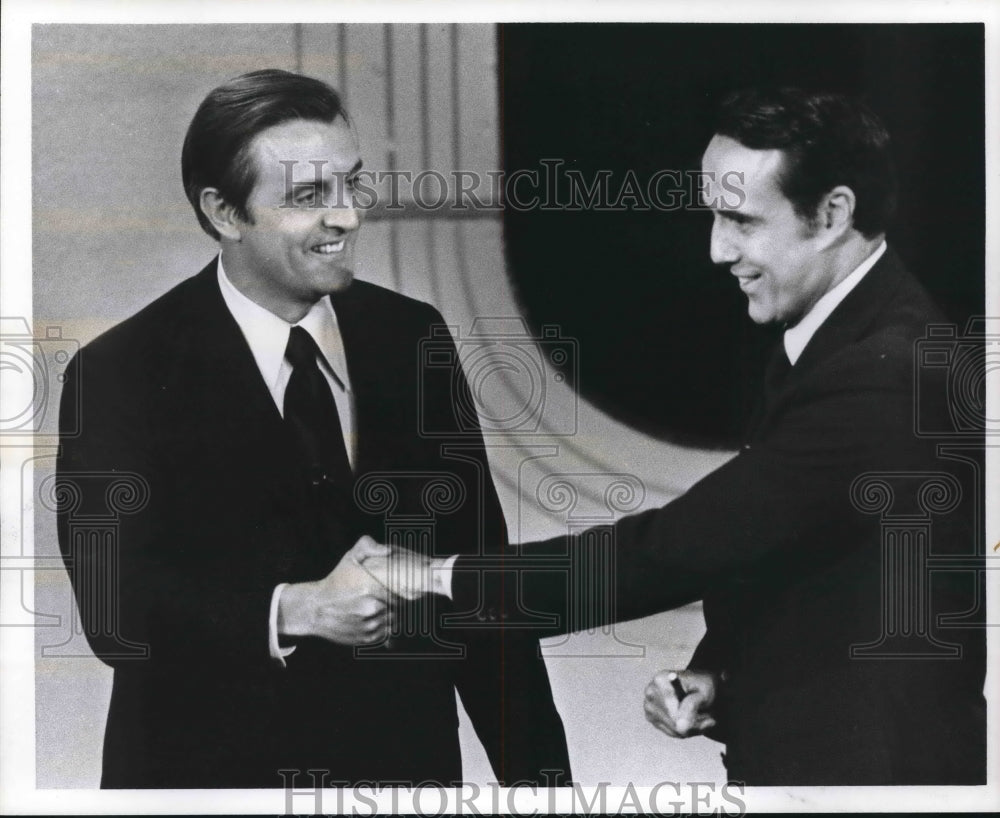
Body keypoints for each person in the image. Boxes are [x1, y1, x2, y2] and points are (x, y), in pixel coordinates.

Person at [361, 88, 986, 785]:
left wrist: (433, 577)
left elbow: (671, 552)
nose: (718, 250)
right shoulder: (851, 334)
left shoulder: (882, 372)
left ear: (835, 213)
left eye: (740, 219)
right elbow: (818, 562)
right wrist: (725, 678)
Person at [55, 68, 570, 789]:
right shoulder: (119, 372)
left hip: (401, 778)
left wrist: (546, 789)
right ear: (224, 213)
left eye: (351, 184)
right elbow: (114, 609)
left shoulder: (411, 336)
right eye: (308, 196)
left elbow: (480, 587)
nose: (349, 217)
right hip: (207, 787)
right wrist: (294, 609)